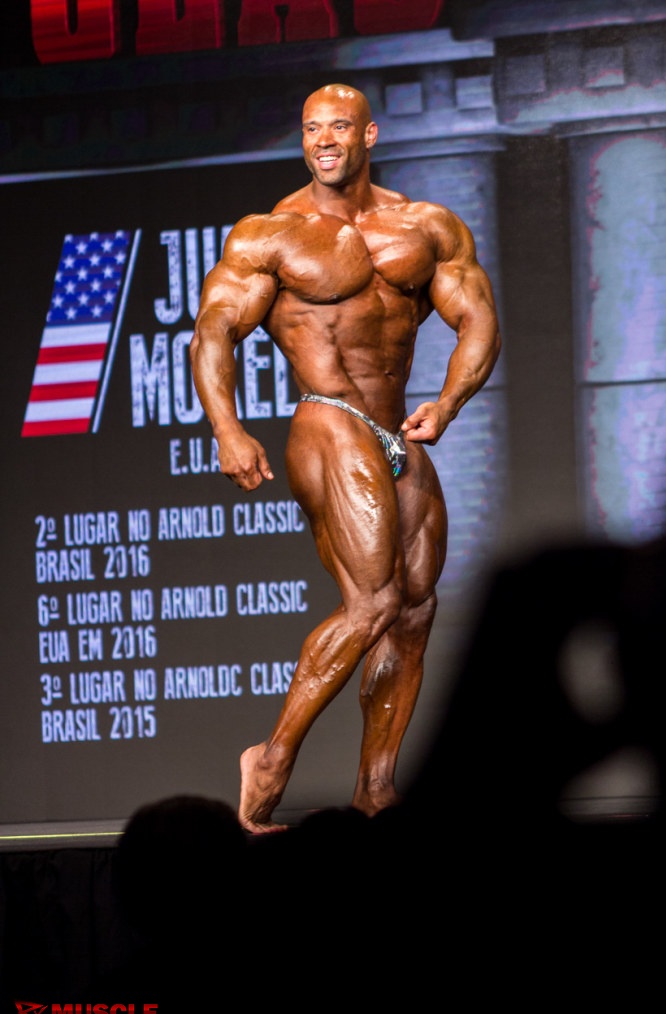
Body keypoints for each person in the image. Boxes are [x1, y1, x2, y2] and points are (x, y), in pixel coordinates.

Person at [190, 82, 501, 833]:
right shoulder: (270, 234)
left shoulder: (426, 225)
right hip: (327, 418)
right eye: (311, 129)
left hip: (397, 428)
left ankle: (375, 788)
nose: (323, 140)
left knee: (415, 607)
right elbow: (214, 330)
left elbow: (478, 319)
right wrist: (227, 428)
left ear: (368, 134)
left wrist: (448, 402)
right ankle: (269, 757)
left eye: (338, 126)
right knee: (374, 601)